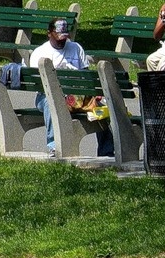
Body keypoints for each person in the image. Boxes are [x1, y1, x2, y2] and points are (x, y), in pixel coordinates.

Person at [29, 18, 113, 157]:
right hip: (49, 95)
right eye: (59, 37)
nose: (62, 41)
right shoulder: (40, 53)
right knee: (52, 103)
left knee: (99, 107)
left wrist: (92, 92)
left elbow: (86, 76)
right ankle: (54, 146)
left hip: (77, 95)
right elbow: (39, 85)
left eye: (65, 37)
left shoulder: (76, 48)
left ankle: (107, 150)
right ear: (49, 33)